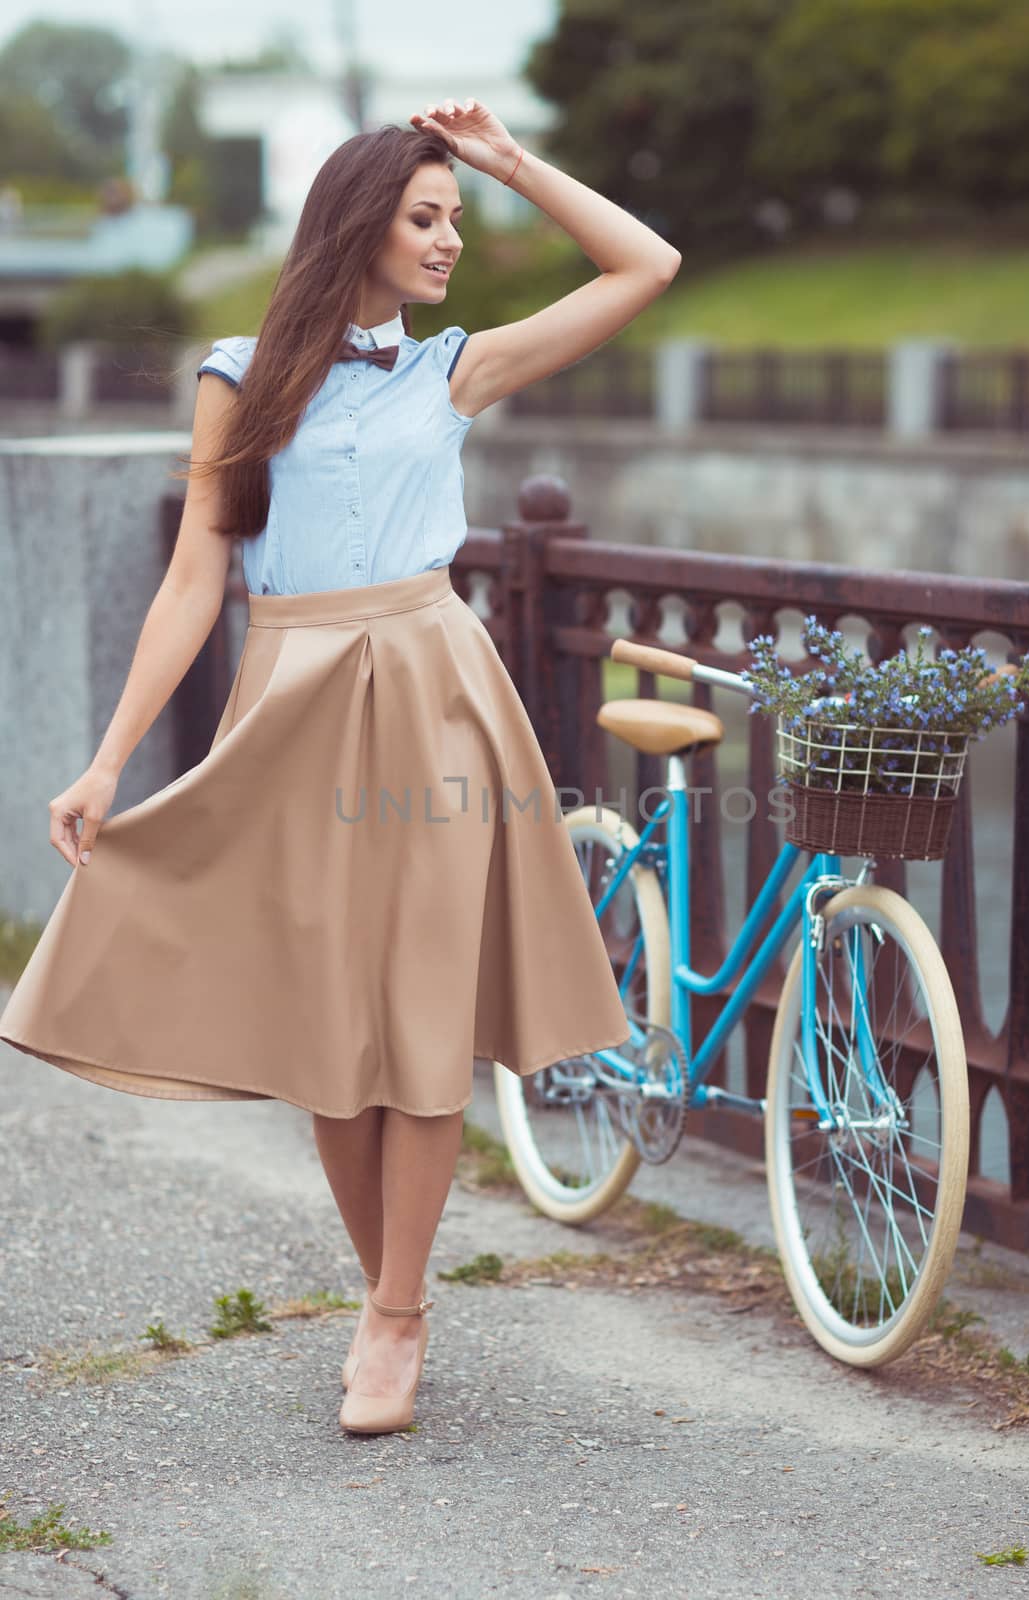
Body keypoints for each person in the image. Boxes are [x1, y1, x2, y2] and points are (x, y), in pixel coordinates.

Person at [0, 97, 682, 1434]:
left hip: (434, 693)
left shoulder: (453, 371)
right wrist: (109, 763)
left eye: (456, 222)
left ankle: (397, 1310)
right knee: (330, 1023)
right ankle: (389, 1285)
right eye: (426, 217)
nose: (447, 242)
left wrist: (506, 161)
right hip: (291, 695)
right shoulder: (237, 374)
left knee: (422, 1006)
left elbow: (645, 266)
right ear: (358, 220)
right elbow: (199, 573)